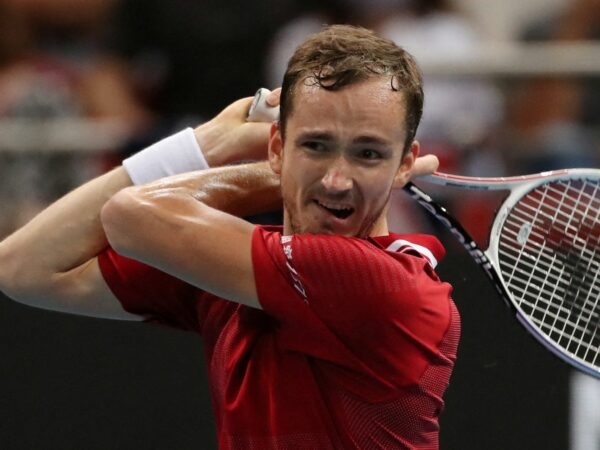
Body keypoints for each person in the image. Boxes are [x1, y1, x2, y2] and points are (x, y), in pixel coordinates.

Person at [0, 25, 460, 449]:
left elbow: (129, 213)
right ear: (277, 146)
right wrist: (316, 174)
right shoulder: (236, 271)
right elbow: (22, 267)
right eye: (315, 146)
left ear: (405, 163)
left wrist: (211, 147)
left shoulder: (389, 286)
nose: (337, 181)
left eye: (368, 153)